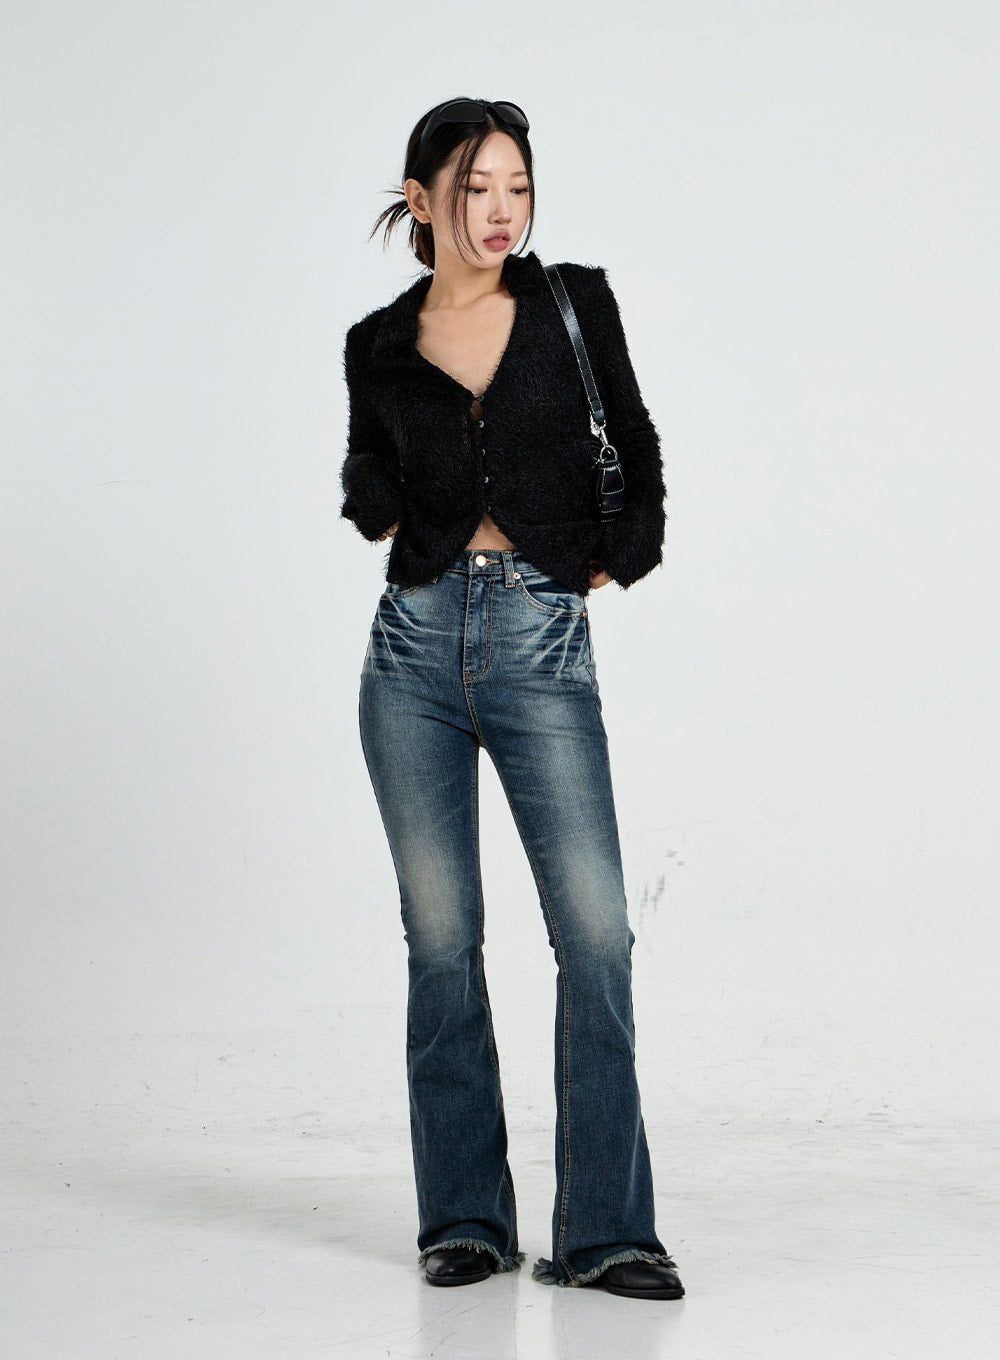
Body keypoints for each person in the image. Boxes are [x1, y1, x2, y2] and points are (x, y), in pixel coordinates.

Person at [340, 97, 684, 1301]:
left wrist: (616, 551)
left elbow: (636, 447)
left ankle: (605, 1232)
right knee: (442, 944)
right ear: (421, 197)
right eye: (475, 187)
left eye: (517, 187)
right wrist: (374, 498)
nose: (500, 210)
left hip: (541, 645)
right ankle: (465, 1220)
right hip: (412, 654)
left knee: (594, 935)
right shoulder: (378, 342)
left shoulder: (572, 305)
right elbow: (367, 457)